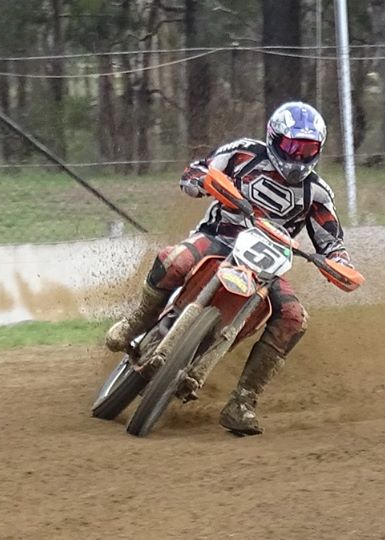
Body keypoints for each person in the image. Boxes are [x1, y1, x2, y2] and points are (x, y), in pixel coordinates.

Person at [105, 101, 354, 436]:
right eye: (291, 146)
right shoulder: (243, 153)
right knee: (174, 260)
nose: (297, 157)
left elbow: (332, 242)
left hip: (267, 267)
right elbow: (197, 171)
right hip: (219, 237)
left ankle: (243, 401)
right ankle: (137, 320)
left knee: (295, 318)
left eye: (307, 149)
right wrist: (203, 182)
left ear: (318, 151)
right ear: (273, 138)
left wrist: (339, 265)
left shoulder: (318, 193)